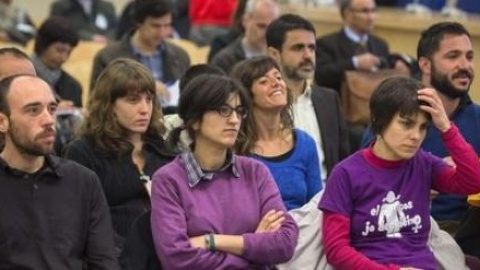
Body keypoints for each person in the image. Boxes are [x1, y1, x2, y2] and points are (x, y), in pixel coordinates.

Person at [319, 76, 480, 269]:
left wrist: (446, 127)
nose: (416, 136)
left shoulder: (424, 163)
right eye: (406, 123)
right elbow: (336, 250)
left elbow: (474, 181)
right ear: (379, 120)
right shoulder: (345, 173)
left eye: (423, 128)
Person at [151, 74, 298, 269]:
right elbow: (177, 259)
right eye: (223, 110)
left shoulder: (255, 172)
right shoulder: (168, 181)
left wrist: (212, 241)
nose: (234, 120)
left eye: (239, 111)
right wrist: (254, 249)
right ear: (195, 120)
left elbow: (285, 243)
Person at [362, 22, 480, 233]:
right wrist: (422, 182)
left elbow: (473, 180)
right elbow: (366, 182)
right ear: (425, 65)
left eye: (469, 57)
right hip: (404, 228)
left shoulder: (478, 118)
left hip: (470, 228)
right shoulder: (394, 115)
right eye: (453, 56)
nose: (465, 65)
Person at [0, 74, 118, 268]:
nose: (48, 120)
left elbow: (104, 262)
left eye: (52, 109)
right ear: (2, 122)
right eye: (33, 110)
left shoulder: (83, 181)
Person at [64, 58, 174, 247]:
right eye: (133, 100)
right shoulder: (83, 152)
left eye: (149, 99)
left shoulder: (163, 149)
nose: (144, 109)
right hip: (114, 257)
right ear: (109, 104)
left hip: (168, 252)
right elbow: (83, 223)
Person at [266, 14, 350, 182]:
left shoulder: (329, 99)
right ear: (274, 54)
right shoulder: (262, 101)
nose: (308, 55)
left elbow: (343, 160)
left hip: (328, 197)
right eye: (298, 48)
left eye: (311, 48)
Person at [232, 56, 321, 210]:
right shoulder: (235, 147)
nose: (276, 83)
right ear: (247, 95)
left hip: (303, 229)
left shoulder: (305, 143)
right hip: (256, 231)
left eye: (278, 77)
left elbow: (316, 203)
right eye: (263, 81)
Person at [91, 0, 190, 107]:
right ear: (139, 23)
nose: (162, 33)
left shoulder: (180, 56)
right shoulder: (107, 57)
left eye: (167, 25)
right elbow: (97, 104)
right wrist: (143, 88)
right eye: (155, 26)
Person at [314, 0, 408, 93]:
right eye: (365, 11)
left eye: (373, 11)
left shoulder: (380, 44)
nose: (371, 17)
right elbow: (321, 76)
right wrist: (355, 63)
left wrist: (395, 68)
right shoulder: (326, 43)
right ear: (348, 14)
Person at [210, 0, 279, 74]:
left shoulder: (279, 57)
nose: (266, 33)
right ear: (245, 21)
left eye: (271, 27)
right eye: (261, 26)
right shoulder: (225, 60)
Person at [31, 16, 82, 109]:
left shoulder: (73, 87)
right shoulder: (18, 76)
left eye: (69, 52)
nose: (64, 58)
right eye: (59, 50)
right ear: (43, 45)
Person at [50, 0, 117, 42]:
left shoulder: (107, 7)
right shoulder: (60, 7)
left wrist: (106, 38)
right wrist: (91, 38)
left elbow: (115, 29)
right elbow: (57, 31)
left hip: (103, 49)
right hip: (73, 53)